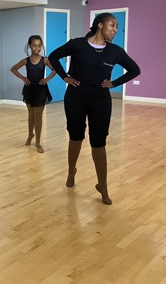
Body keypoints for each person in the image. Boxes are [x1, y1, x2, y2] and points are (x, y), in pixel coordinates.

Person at [48, 13, 140, 205]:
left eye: (117, 26)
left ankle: (103, 186)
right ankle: (71, 170)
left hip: (101, 100)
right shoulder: (78, 44)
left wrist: (114, 83)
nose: (115, 29)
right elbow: (54, 57)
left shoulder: (115, 51)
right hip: (75, 97)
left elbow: (135, 70)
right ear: (99, 25)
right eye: (112, 25)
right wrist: (64, 77)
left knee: (99, 142)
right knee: (75, 136)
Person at [10, 35, 56, 153]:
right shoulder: (25, 61)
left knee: (38, 116)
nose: (37, 48)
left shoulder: (45, 60)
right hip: (29, 90)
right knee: (31, 115)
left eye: (39, 46)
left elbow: (55, 69)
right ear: (30, 46)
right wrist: (23, 78)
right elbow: (13, 68)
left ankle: (38, 142)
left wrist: (47, 79)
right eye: (34, 46)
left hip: (41, 90)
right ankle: (30, 135)